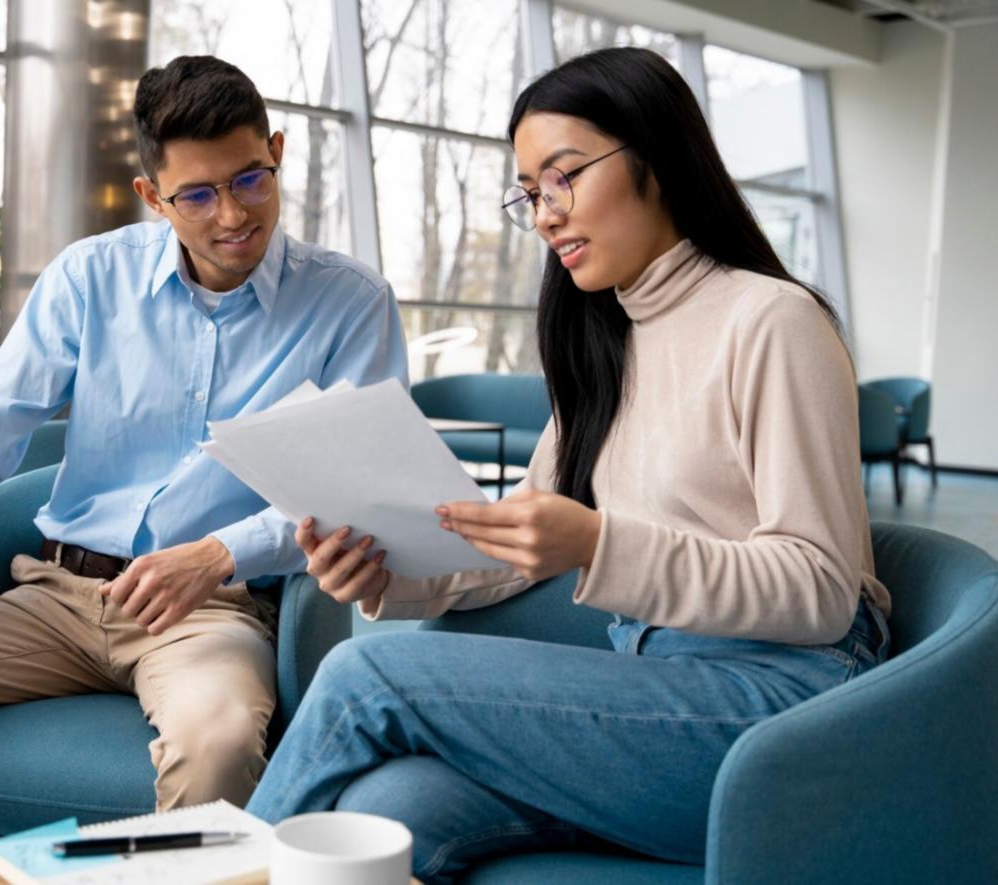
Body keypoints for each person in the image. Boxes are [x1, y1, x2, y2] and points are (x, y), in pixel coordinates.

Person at [246, 47, 892, 883]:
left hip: (782, 710)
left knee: (367, 670)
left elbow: (818, 588)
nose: (545, 214)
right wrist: (383, 568)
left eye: (564, 177)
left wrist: (596, 544)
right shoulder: (606, 341)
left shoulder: (769, 321)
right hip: (655, 696)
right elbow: (517, 539)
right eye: (529, 193)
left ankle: (210, 874)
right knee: (394, 810)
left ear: (653, 158)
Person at [0, 55, 407, 880]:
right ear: (152, 196)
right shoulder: (89, 278)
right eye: (197, 193)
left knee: (215, 743)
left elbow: (357, 488)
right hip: (55, 599)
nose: (232, 214)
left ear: (277, 151)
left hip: (210, 611)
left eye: (251, 178)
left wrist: (220, 554)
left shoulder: (349, 303)